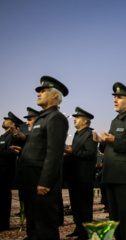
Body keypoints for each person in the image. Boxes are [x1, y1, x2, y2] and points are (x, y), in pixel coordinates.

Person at [19, 76, 69, 239]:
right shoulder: (42, 118)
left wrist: (45, 182)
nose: (38, 94)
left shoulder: (56, 118)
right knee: (33, 227)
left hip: (42, 184)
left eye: (43, 91)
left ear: (55, 95)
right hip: (31, 181)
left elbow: (54, 153)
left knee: (45, 229)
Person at [93, 82, 126, 240]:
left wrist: (114, 140)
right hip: (110, 174)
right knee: (114, 217)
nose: (115, 100)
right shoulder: (115, 121)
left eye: (119, 97)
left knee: (125, 216)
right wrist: (102, 142)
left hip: (123, 176)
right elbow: (112, 147)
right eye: (114, 97)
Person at [64, 107, 98, 240]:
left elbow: (89, 154)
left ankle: (86, 233)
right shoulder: (78, 134)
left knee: (84, 206)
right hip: (75, 175)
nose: (74, 119)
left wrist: (72, 152)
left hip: (84, 176)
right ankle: (78, 228)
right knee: (76, 205)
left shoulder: (89, 135)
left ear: (84, 122)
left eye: (77, 118)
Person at [0, 112, 23, 231]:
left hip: (6, 172)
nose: (4, 121)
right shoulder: (3, 137)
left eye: (7, 120)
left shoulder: (12, 137)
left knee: (4, 199)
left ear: (12, 124)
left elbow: (12, 153)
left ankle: (3, 224)